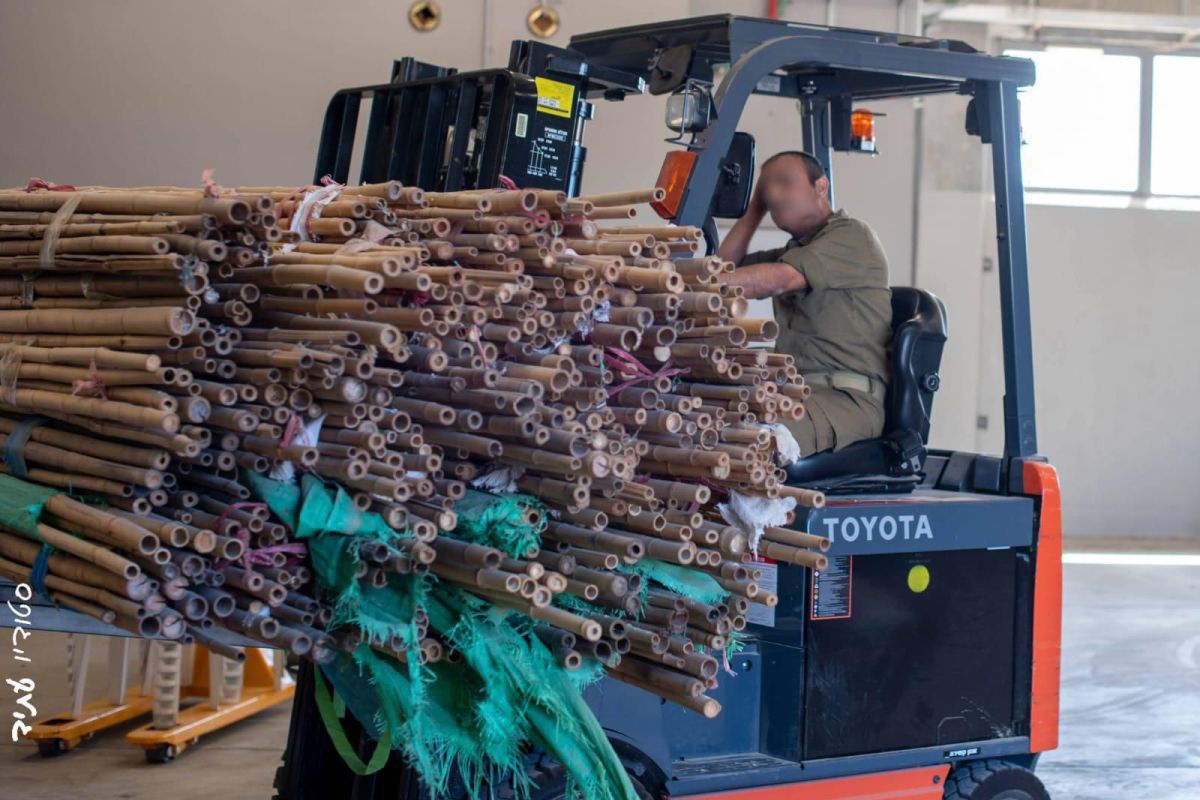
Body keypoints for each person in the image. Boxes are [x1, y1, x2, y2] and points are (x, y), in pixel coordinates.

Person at [718, 150, 892, 457]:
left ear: (820, 187)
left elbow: (777, 280)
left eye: (785, 182)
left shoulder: (851, 235)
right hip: (795, 394)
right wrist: (754, 208)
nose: (773, 195)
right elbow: (722, 271)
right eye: (766, 189)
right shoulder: (797, 250)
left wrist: (684, 286)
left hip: (844, 401)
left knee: (748, 447)